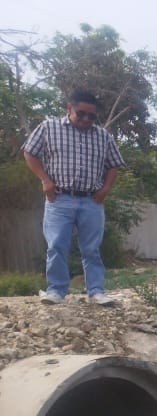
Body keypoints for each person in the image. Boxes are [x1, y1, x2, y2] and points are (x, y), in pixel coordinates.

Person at [22, 89, 126, 305]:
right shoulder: (48, 128)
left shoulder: (103, 136)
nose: (86, 119)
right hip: (59, 198)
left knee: (91, 249)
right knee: (56, 246)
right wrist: (45, 180)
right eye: (81, 113)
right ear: (69, 108)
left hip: (91, 200)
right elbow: (29, 153)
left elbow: (114, 164)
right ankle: (56, 291)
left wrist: (105, 189)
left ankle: (96, 291)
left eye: (92, 116)